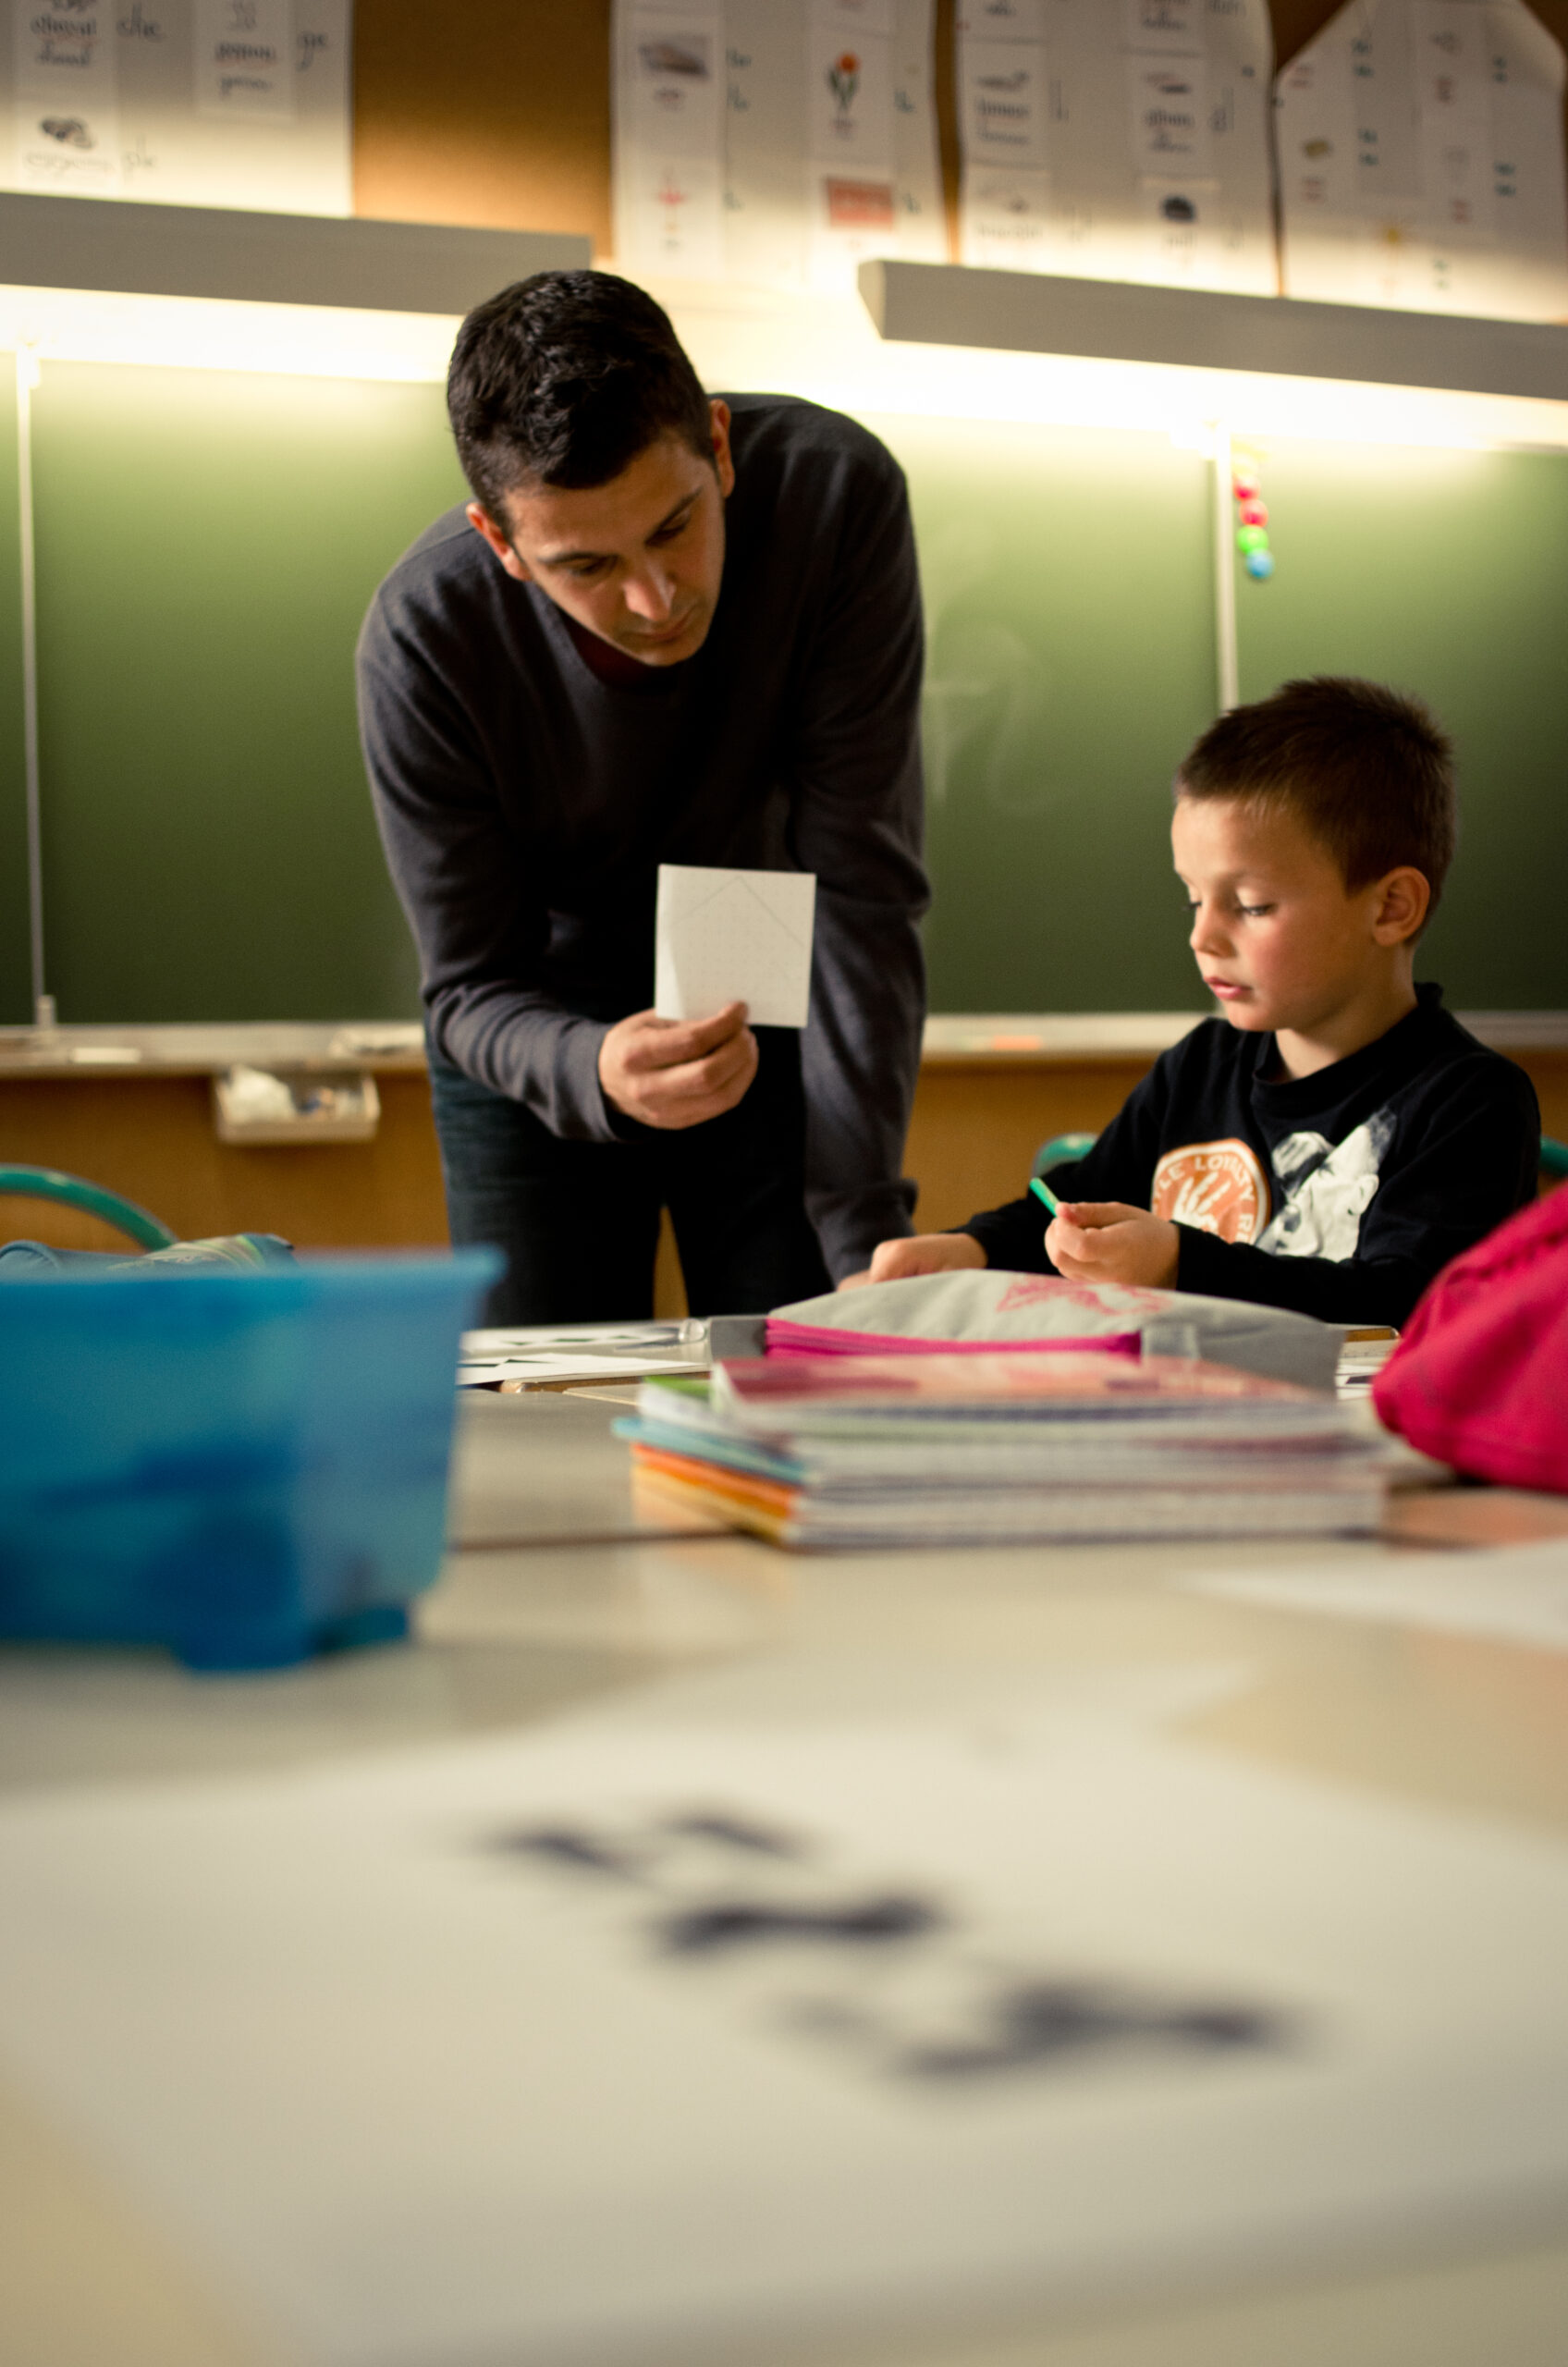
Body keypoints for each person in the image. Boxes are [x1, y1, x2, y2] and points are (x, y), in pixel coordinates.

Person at [357, 271, 927, 1323]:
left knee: (795, 1353)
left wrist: (859, 1228)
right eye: (586, 565)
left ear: (719, 447)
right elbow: (471, 986)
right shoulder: (424, 635)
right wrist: (592, 1063)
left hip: (756, 983)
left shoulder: (835, 498)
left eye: (674, 528)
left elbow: (861, 887)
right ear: (500, 542)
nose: (655, 601)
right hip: (537, 1021)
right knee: (539, 1389)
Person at [855, 677, 1539, 1328]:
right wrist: (972, 1250)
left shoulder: (1470, 1104)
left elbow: (1408, 1304)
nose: (1202, 936)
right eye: (1193, 899)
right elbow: (1079, 1203)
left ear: (1390, 907)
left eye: (1251, 905)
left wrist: (1181, 1265)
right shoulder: (1201, 1065)